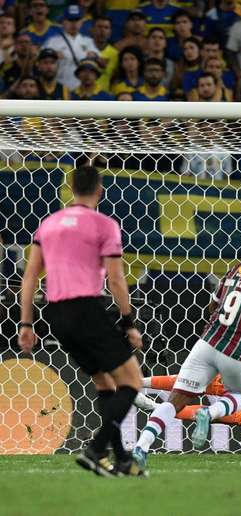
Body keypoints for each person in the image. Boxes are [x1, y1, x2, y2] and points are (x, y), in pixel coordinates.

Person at [18, 166, 145, 477]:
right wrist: (128, 321)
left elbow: (30, 276)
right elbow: (116, 279)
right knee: (133, 382)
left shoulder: (47, 225)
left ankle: (122, 461)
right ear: (99, 189)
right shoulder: (105, 225)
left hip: (56, 314)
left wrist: (26, 324)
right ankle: (96, 448)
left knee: (105, 383)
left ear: (71, 188)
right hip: (87, 308)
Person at [133, 232, 241, 468]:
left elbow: (212, 305)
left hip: (207, 343)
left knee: (175, 400)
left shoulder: (233, 271)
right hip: (238, 349)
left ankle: (140, 446)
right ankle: (210, 412)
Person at [43, 4, 99, 90]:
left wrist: (95, 57)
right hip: (59, 86)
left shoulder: (88, 42)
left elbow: (101, 63)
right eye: (70, 20)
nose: (74, 24)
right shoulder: (53, 42)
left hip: (81, 89)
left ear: (81, 22)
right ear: (63, 21)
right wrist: (52, 56)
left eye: (77, 20)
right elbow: (40, 62)